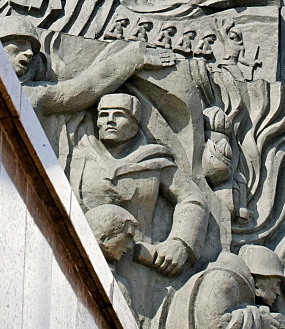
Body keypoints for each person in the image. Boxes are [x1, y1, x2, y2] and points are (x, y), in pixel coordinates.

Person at [0, 15, 178, 161]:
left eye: (31, 49)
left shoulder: (31, 94)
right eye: (20, 45)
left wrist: (134, 57)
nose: (28, 53)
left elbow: (86, 87)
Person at [69, 93, 208, 278]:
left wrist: (180, 243)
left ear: (134, 123)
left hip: (140, 265)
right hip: (81, 256)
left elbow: (192, 197)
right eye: (104, 115)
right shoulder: (79, 155)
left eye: (119, 115)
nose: (110, 121)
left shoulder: (154, 160)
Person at [163, 249, 285, 329]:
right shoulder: (223, 279)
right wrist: (260, 324)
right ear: (259, 281)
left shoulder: (235, 285)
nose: (278, 292)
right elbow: (214, 327)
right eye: (275, 284)